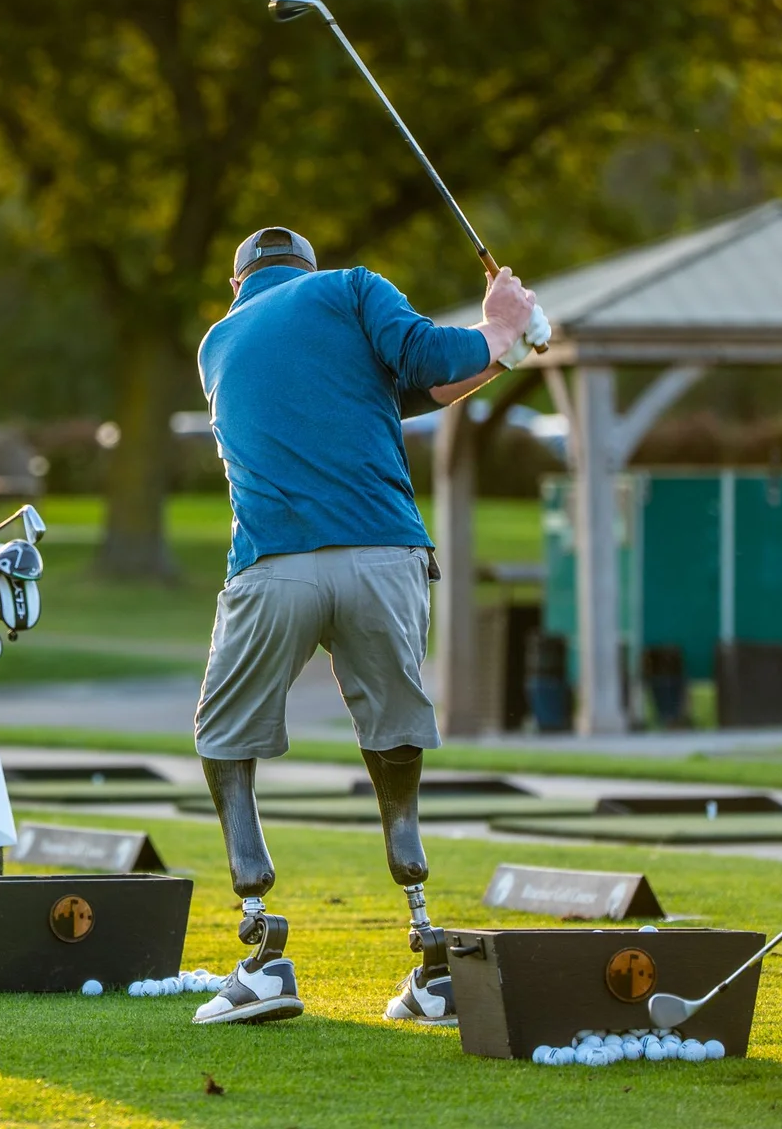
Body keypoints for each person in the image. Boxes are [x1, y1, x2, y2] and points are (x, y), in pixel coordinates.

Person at [188, 226, 540, 1026]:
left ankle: (261, 954)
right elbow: (426, 358)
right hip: (385, 556)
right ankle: (428, 951)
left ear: (241, 282)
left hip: (273, 565)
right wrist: (501, 323)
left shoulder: (219, 341)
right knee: (394, 733)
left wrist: (504, 345)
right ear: (307, 270)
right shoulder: (351, 288)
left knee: (225, 740)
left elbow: (410, 387)